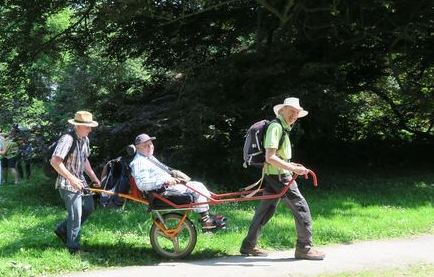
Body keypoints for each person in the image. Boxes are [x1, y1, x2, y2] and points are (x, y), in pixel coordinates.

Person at [239, 97, 325, 260]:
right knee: (301, 207)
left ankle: (248, 245)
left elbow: (278, 157)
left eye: (296, 113)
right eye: (291, 111)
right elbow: (270, 156)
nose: (294, 115)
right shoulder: (276, 127)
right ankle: (304, 248)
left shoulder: (281, 128)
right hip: (279, 176)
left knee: (266, 210)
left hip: (274, 175)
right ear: (282, 110)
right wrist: (292, 168)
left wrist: (293, 166)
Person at [129, 133, 225, 231]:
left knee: (198, 186)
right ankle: (206, 221)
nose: (150, 147)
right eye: (146, 145)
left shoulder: (148, 157)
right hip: (161, 191)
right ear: (138, 148)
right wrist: (165, 180)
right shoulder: (139, 162)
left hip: (167, 187)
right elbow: (142, 184)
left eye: (151, 144)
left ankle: (205, 216)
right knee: (198, 187)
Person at [51, 111, 102, 254]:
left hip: (81, 180)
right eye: (87, 127)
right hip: (67, 182)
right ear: (78, 126)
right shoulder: (67, 139)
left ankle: (62, 230)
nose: (90, 129)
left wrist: (94, 177)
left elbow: (84, 159)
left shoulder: (85, 139)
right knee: (75, 215)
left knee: (88, 208)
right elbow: (55, 161)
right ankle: (73, 248)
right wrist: (71, 179)